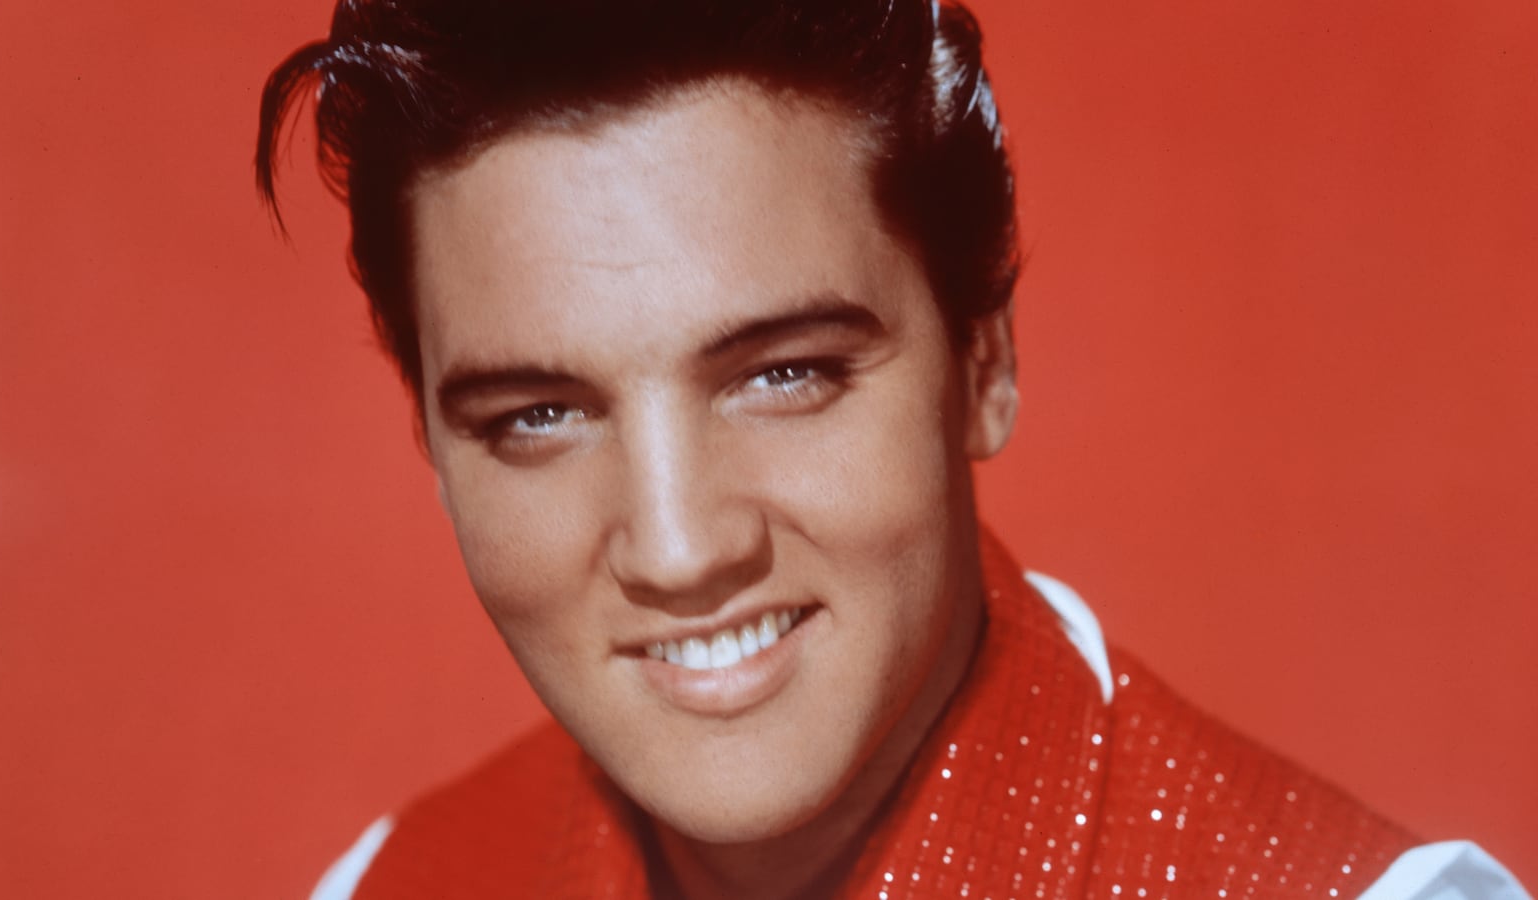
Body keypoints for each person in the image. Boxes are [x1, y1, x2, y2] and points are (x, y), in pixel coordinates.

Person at [255, 1, 1529, 897]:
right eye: (538, 415)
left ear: (984, 365)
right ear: (427, 435)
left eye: (784, 374)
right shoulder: (386, 888)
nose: (680, 545)